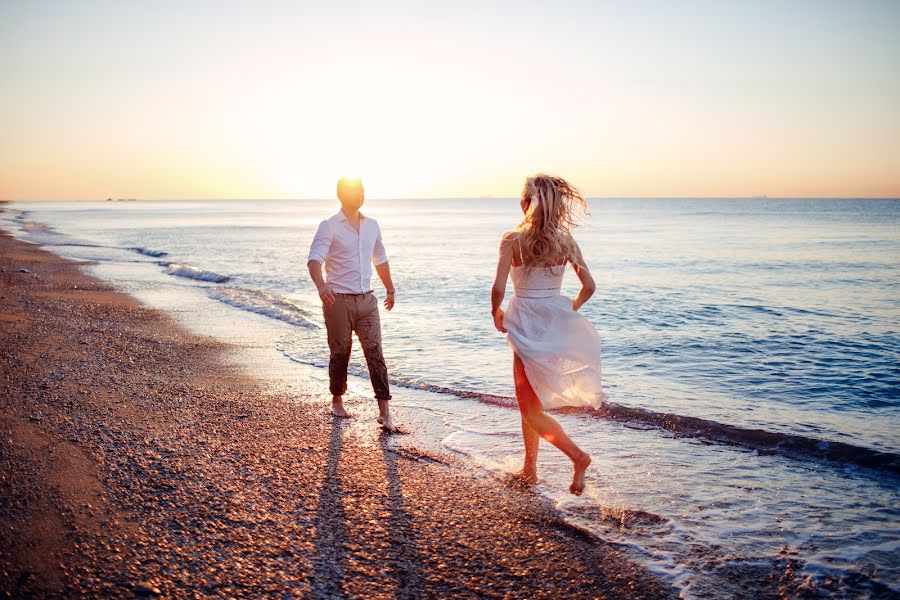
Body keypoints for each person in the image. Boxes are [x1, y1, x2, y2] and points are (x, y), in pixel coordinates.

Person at [490, 174, 607, 495]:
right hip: (554, 324)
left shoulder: (512, 239)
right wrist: (568, 309)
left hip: (524, 324)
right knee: (531, 403)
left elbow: (499, 287)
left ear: (525, 203)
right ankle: (529, 469)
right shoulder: (566, 241)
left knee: (528, 407)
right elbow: (590, 287)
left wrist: (495, 313)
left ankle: (578, 456)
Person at [308, 177, 397, 432]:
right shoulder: (329, 226)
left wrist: (390, 289)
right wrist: (321, 286)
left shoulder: (372, 226)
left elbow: (380, 259)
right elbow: (314, 261)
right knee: (340, 353)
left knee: (375, 353)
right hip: (338, 301)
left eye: (361, 190)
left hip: (367, 301)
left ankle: (384, 412)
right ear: (341, 194)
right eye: (354, 191)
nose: (360, 194)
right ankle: (337, 399)